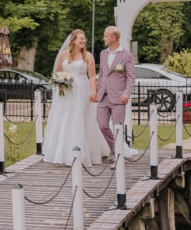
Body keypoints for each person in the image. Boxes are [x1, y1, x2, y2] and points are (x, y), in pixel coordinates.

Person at [41, 29, 109, 166]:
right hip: (66, 92)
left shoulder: (88, 56)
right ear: (73, 40)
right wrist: (60, 83)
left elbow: (91, 77)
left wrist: (94, 92)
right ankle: (62, 151)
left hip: (82, 90)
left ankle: (86, 150)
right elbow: (57, 72)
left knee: (81, 118)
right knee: (65, 119)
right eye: (80, 39)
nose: (83, 41)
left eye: (84, 39)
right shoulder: (63, 55)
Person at [94, 26, 136, 166]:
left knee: (118, 127)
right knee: (102, 125)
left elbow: (131, 78)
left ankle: (117, 156)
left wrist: (126, 93)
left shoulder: (127, 56)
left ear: (114, 38)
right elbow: (101, 74)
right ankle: (116, 149)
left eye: (106, 36)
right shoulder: (103, 54)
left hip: (119, 97)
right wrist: (97, 89)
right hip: (103, 96)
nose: (104, 38)